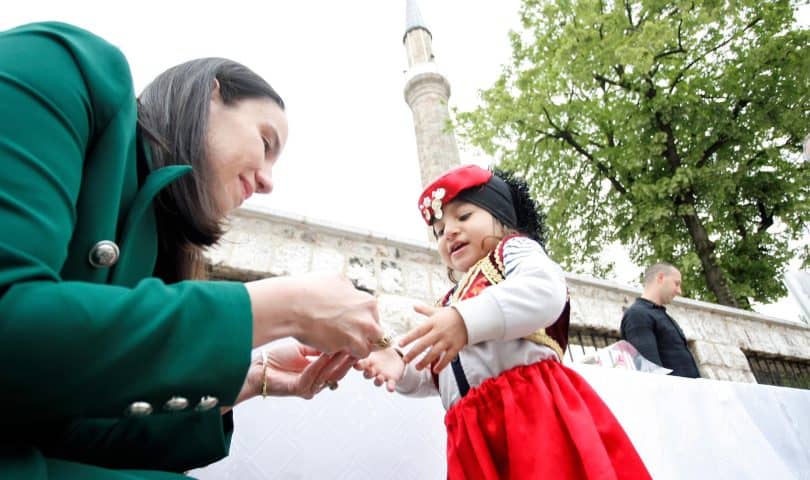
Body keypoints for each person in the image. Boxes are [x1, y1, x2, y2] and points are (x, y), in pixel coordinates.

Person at [0, 21, 387, 479]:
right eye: (265, 142)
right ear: (211, 94)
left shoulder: (161, 250)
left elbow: (71, 434)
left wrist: (245, 380)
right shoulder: (64, 67)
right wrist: (280, 308)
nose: (268, 181)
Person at [356, 164, 651, 479]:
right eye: (439, 231)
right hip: (470, 433)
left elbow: (544, 289)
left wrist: (464, 321)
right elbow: (435, 371)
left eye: (463, 216)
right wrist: (400, 363)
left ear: (502, 218)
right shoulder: (447, 304)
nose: (449, 232)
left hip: (530, 411)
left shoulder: (513, 251)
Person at [620, 263, 701, 378]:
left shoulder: (661, 315)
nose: (679, 291)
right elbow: (651, 372)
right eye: (676, 283)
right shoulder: (638, 314)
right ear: (660, 277)